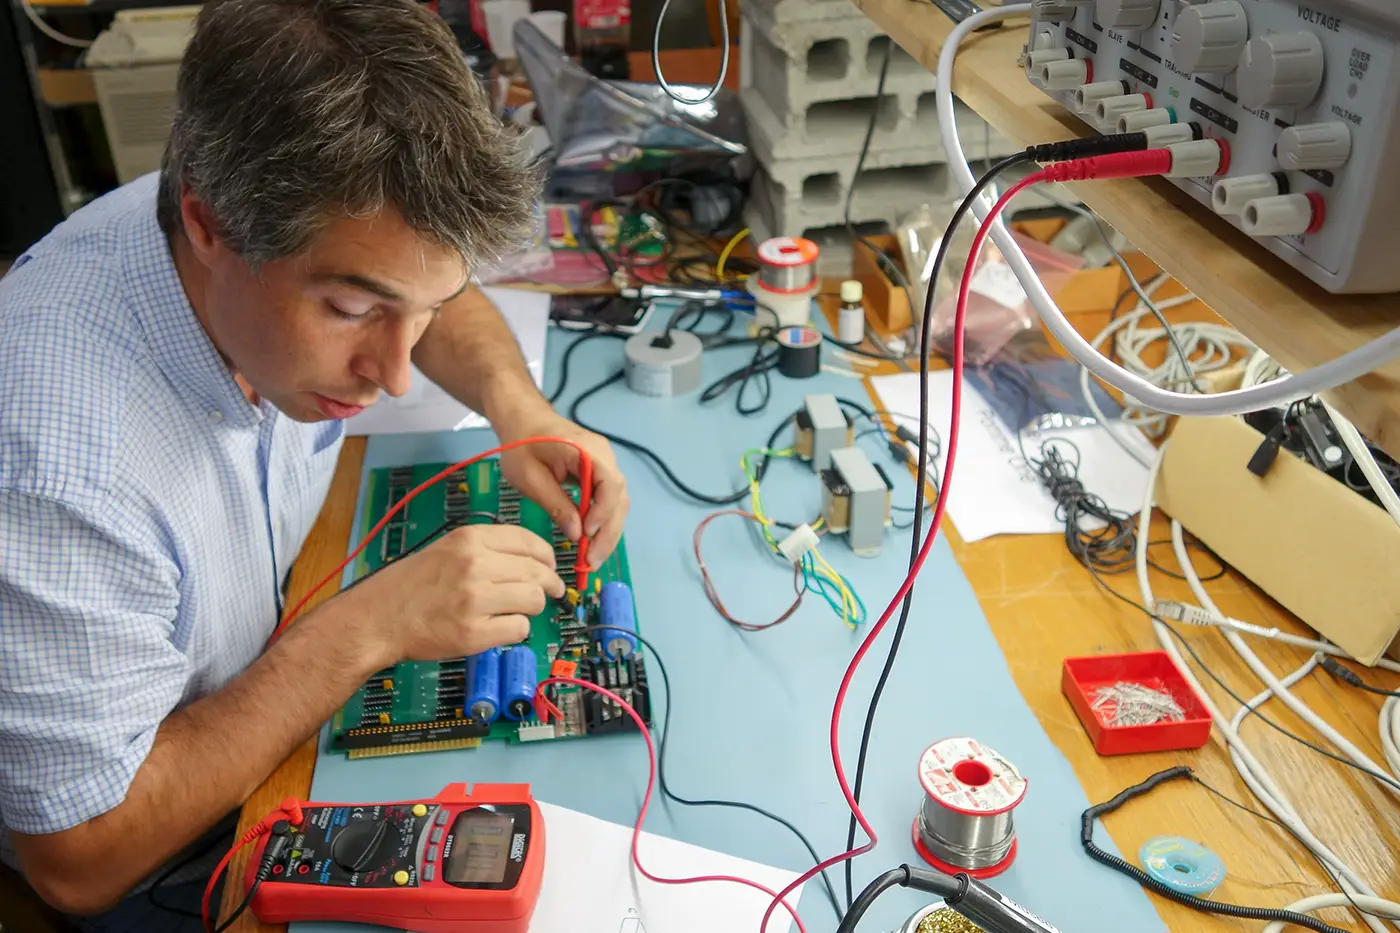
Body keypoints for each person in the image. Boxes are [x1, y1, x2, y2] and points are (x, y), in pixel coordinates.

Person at [0, 0, 628, 926]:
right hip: (170, 856)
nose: (396, 373)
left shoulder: (264, 219)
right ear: (208, 224)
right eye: (349, 312)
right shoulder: (57, 475)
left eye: (419, 311)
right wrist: (368, 628)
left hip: (275, 663)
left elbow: (413, 281)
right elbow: (81, 859)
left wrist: (517, 406)